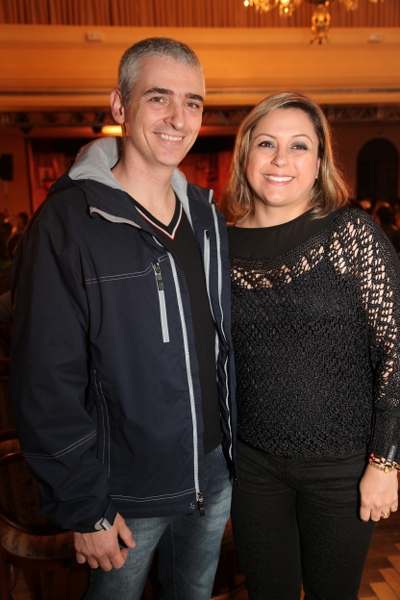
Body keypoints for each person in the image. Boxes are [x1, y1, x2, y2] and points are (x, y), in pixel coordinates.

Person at [10, 37, 236, 600]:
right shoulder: (67, 223)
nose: (178, 118)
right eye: (159, 98)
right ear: (120, 105)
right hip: (123, 491)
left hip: (211, 472)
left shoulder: (206, 216)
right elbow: (45, 380)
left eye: (192, 103)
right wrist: (84, 505)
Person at [222, 92, 400, 600]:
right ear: (245, 155)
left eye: (299, 145)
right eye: (266, 144)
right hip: (253, 466)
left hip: (341, 468)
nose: (281, 159)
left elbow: (395, 352)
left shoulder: (352, 235)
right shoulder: (218, 245)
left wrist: (385, 462)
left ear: (320, 160)